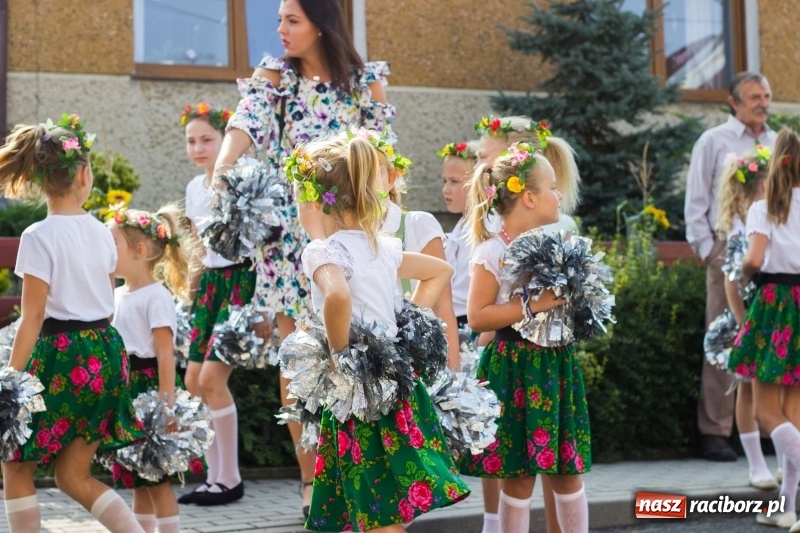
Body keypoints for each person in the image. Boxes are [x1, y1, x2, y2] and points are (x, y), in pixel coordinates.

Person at [215, 0, 395, 514]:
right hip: (291, 241)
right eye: (278, 20)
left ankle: (363, 472)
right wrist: (223, 166)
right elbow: (245, 121)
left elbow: (386, 155)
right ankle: (311, 482)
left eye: (291, 19)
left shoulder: (365, 82)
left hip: (356, 234)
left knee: (356, 344)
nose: (281, 30)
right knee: (299, 358)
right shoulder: (275, 75)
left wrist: (392, 221)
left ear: (321, 23)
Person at [286, 133, 471, 532]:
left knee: (372, 507)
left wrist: (339, 358)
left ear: (315, 201)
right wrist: (407, 322)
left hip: (358, 394)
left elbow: (336, 297)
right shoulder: (382, 245)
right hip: (396, 388)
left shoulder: (322, 250)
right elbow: (440, 272)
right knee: (386, 503)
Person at [0, 115, 146, 532]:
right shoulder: (102, 232)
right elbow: (109, 303)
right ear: (84, 175)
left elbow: (32, 319)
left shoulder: (37, 237)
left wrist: (11, 382)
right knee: (73, 475)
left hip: (59, 356)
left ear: (37, 179)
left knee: (16, 466)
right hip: (105, 354)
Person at [460, 141, 589, 533]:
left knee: (567, 471)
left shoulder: (560, 243)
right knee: (517, 474)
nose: (559, 195)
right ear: (529, 198)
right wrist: (537, 304)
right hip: (513, 368)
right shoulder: (492, 250)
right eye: (552, 188)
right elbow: (480, 316)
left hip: (555, 364)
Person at [684, 71, 776, 462]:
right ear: (733, 102)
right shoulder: (713, 142)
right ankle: (715, 432)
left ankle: (771, 425)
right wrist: (708, 250)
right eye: (755, 96)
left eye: (767, 95)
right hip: (729, 251)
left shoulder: (777, 143)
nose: (764, 102)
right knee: (724, 338)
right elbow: (696, 199)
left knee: (773, 339)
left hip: (775, 252)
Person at [180, 103, 255, 506]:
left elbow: (262, 243)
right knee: (193, 382)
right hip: (209, 285)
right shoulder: (194, 188)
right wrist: (189, 293)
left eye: (207, 139)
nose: (198, 147)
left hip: (242, 279)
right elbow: (196, 247)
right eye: (191, 140)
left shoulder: (244, 181)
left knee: (211, 379)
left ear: (226, 140)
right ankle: (214, 479)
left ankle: (230, 479)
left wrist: (260, 306)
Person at [727, 128, 800, 530]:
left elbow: (754, 259)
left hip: (777, 303)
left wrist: (743, 273)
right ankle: (787, 507)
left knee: (766, 411)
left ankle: (789, 506)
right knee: (793, 413)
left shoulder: (765, 206)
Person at [107, 204, 195, 533]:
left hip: (147, 390)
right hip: (124, 391)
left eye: (112, 245)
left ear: (140, 250)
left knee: (156, 478)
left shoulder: (156, 296)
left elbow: (164, 356)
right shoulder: (116, 295)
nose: (107, 253)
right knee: (137, 479)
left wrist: (166, 406)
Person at [363, 131, 461, 369]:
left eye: (372, 174)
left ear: (390, 178)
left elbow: (443, 308)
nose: (363, 184)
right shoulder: (346, 236)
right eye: (356, 176)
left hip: (418, 361)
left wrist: (455, 376)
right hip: (369, 364)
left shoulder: (417, 225)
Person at [714, 146, 777, 491]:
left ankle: (783, 460)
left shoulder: (771, 215)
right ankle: (755, 464)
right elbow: (731, 280)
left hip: (770, 314)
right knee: (748, 390)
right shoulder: (745, 225)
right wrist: (742, 323)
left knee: (776, 389)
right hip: (750, 318)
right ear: (761, 184)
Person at [439, 141, 479, 329]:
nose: (445, 189)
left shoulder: (487, 226)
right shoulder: (461, 225)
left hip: (473, 325)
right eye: (444, 181)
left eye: (454, 181)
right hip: (453, 321)